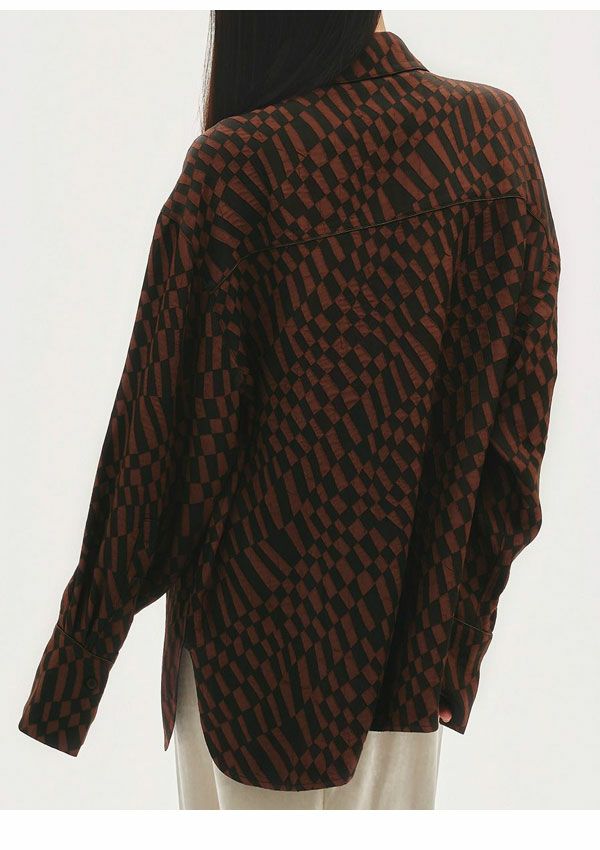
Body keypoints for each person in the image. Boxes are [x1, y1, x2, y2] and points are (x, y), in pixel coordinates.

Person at [18, 10, 560, 810]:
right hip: (409, 658)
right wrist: (455, 640)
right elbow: (519, 433)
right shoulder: (491, 138)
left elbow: (153, 453)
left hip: (251, 678)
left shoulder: (238, 167)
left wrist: (73, 673)